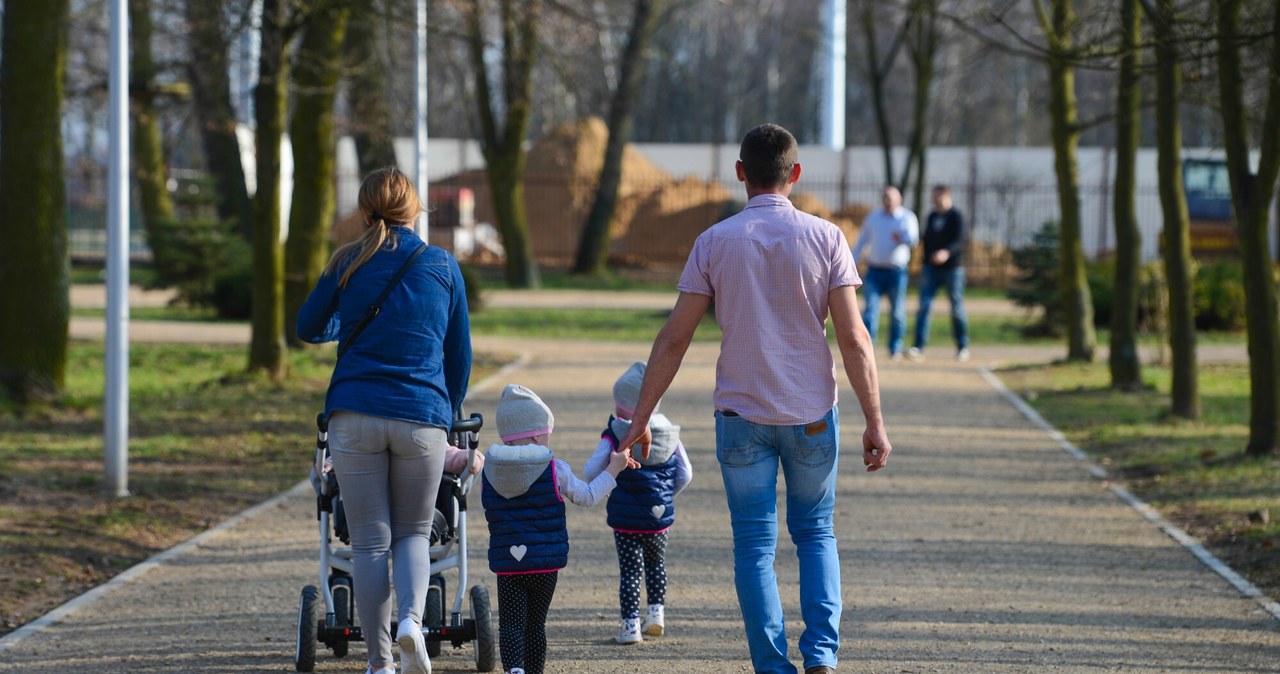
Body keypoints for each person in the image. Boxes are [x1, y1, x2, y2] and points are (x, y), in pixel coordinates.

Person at [616, 124, 892, 674]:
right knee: (816, 533)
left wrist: (639, 418)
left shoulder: (715, 242)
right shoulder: (826, 237)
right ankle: (821, 657)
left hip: (741, 417)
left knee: (753, 546)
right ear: (795, 174)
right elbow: (854, 338)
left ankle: (771, 665)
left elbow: (675, 337)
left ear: (740, 172)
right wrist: (875, 421)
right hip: (813, 413)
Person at [297, 166, 472, 674]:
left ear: (364, 209)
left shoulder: (346, 261)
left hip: (353, 415)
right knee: (414, 533)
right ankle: (412, 625)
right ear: (414, 209)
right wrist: (447, 415)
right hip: (422, 418)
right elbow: (458, 355)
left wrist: (347, 324)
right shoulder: (441, 264)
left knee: (370, 542)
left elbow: (309, 327)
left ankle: (379, 664)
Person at [481, 384, 632, 674]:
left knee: (511, 624)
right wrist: (614, 469)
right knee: (536, 625)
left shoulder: (490, 470)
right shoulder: (555, 469)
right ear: (538, 434)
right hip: (545, 564)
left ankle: (514, 669)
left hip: (508, 565)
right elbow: (587, 496)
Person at [583, 361, 693, 645]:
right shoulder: (670, 434)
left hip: (625, 520)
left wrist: (606, 485)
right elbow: (685, 474)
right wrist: (666, 497)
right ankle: (656, 615)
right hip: (659, 518)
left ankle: (630, 626)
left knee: (631, 571)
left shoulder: (614, 435)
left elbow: (590, 471)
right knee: (657, 565)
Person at [850, 185, 919, 360]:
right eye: (885, 197)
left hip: (897, 272)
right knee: (870, 310)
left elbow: (914, 240)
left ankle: (895, 346)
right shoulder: (874, 217)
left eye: (890, 197)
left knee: (897, 312)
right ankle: (867, 347)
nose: (887, 201)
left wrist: (901, 238)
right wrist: (852, 261)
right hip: (874, 270)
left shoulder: (906, 217)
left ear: (899, 199)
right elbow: (862, 241)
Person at [907, 184, 970, 362]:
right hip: (931, 269)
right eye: (933, 197)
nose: (934, 200)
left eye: (937, 197)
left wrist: (946, 253)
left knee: (957, 308)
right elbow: (926, 239)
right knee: (924, 307)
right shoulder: (932, 216)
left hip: (953, 269)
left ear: (946, 196)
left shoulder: (956, 216)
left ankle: (962, 346)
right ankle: (918, 346)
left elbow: (959, 241)